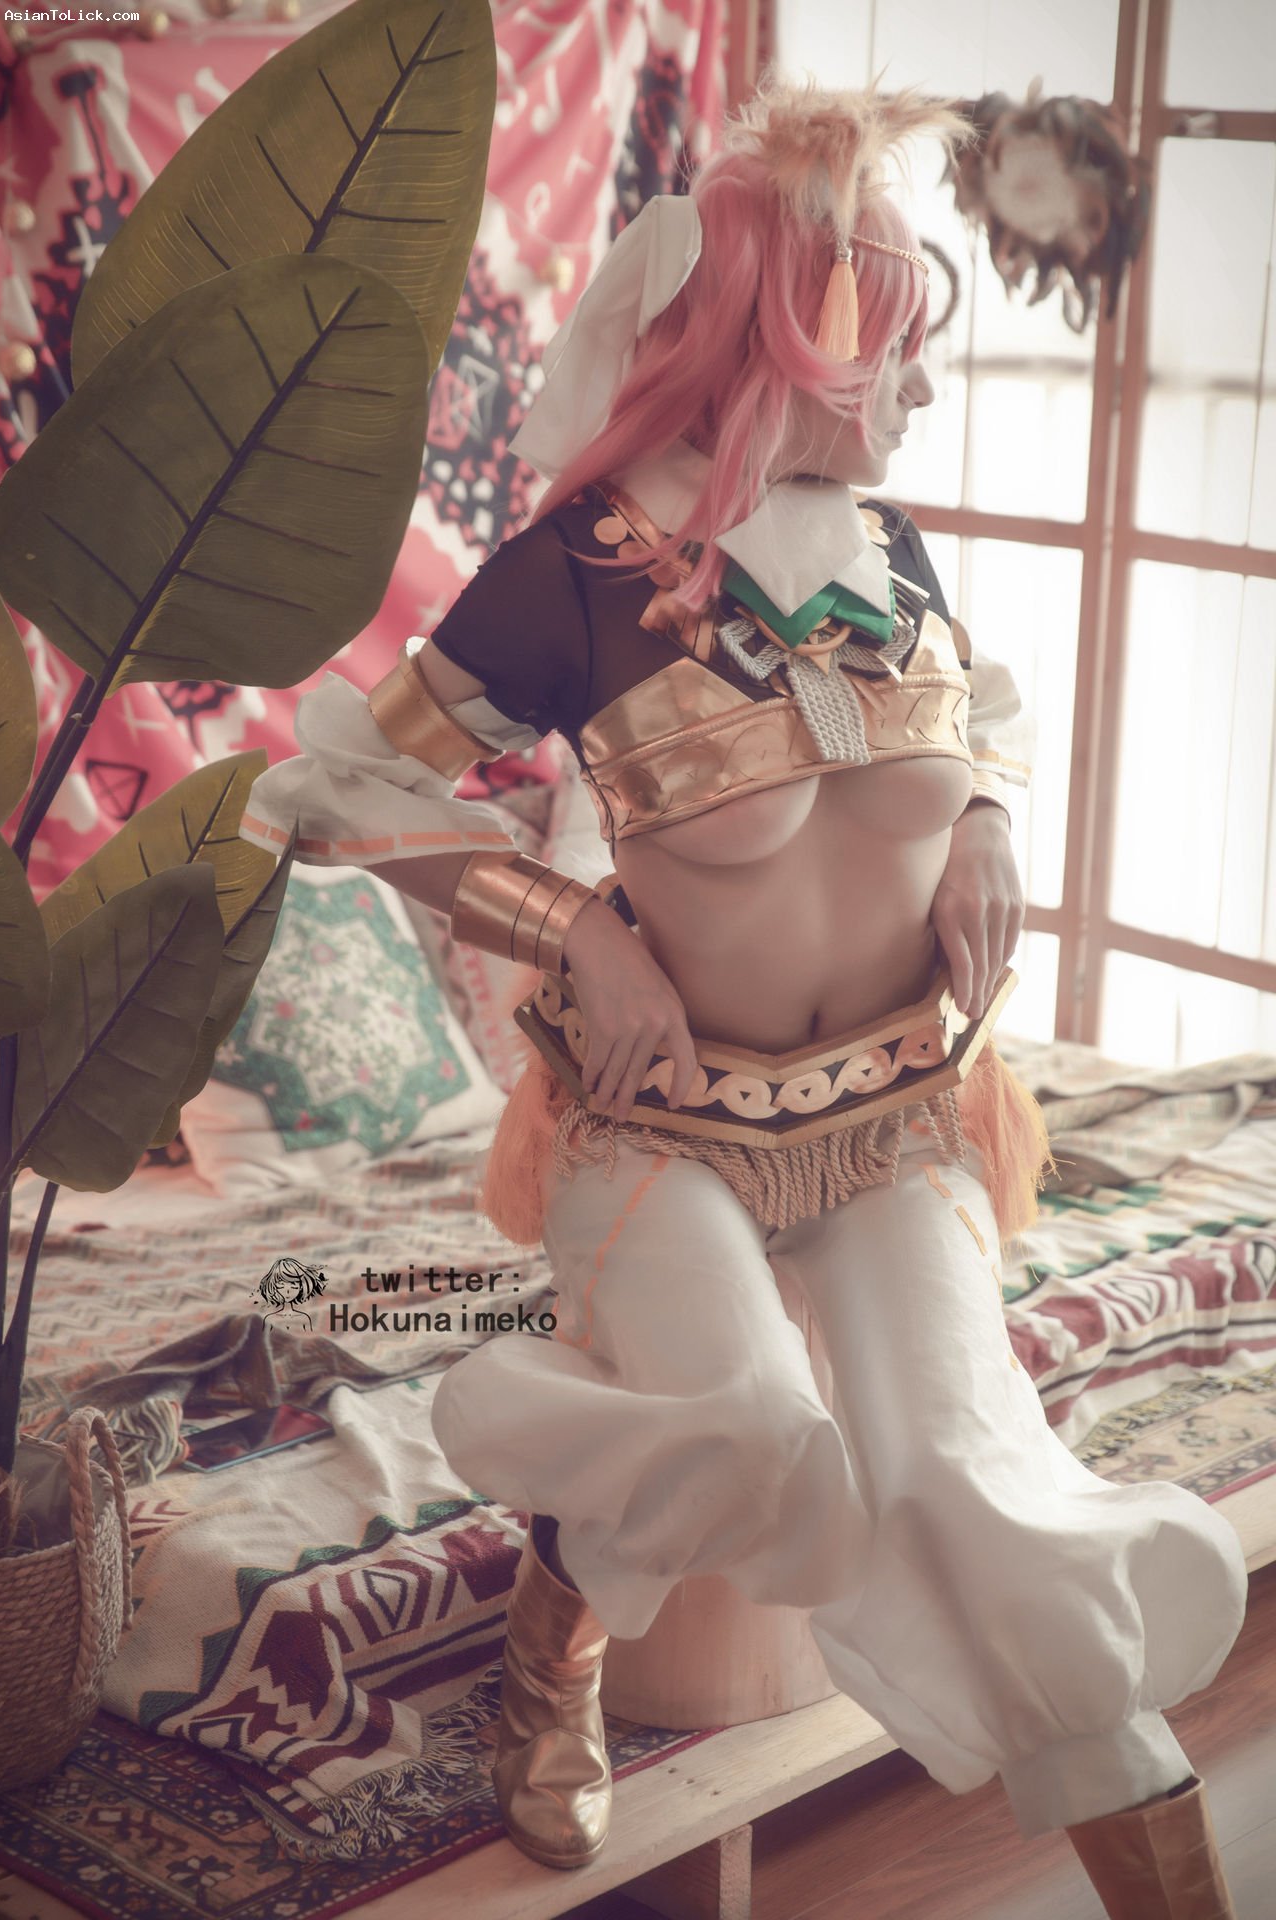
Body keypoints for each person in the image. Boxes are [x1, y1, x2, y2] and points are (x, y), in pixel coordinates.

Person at [239, 76, 1248, 1918]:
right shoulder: (571, 578)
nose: (923, 389)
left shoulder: (894, 551)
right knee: (759, 1430)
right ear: (795, 333)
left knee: (973, 1478)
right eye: (900, 346)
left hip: (893, 1116)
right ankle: (558, 1631)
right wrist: (576, 927)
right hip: (661, 1125)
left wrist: (988, 823)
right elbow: (341, 785)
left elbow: (979, 720)